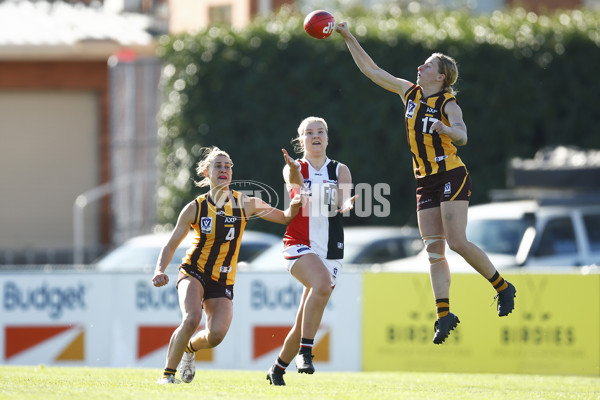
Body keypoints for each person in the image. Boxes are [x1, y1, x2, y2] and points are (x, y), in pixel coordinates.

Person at [335, 22, 516, 345]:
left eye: (428, 65)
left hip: (450, 174)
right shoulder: (410, 92)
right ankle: (444, 314)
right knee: (433, 250)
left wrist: (447, 131)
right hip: (424, 180)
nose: (420, 67)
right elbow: (372, 70)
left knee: (457, 242)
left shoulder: (448, 103)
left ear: (441, 76)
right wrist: (348, 37)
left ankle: (503, 287)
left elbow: (462, 134)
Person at [153, 146, 302, 384]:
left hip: (222, 279)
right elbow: (171, 245)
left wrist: (297, 200)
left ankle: (189, 350)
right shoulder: (195, 207)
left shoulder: (246, 203)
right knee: (191, 319)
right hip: (193, 271)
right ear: (206, 172)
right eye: (218, 166)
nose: (224, 169)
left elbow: (285, 217)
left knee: (216, 336)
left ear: (232, 173)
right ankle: (167, 376)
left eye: (228, 166)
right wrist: (159, 270)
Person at [266, 116, 357, 386]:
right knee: (321, 285)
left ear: (327, 138)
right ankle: (306, 352)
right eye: (309, 133)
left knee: (304, 318)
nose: (315, 136)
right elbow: (294, 185)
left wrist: (348, 204)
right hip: (298, 242)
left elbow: (343, 201)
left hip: (330, 248)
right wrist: (294, 169)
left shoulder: (340, 170)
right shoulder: (294, 167)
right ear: (301, 140)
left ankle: (277, 368)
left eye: (320, 132)